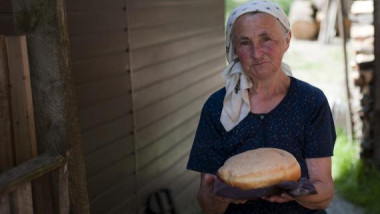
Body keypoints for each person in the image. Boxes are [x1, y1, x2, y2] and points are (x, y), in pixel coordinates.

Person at [186, 0, 336, 213]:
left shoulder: (311, 102)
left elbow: (324, 193)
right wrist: (223, 196)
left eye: (266, 39)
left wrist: (293, 191)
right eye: (245, 42)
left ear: (287, 40)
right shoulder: (217, 107)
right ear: (234, 49)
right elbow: (207, 204)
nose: (257, 53)